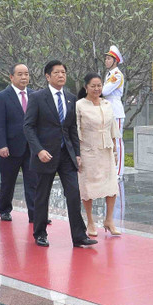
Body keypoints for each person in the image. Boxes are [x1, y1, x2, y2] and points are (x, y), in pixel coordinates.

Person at [23, 60, 96, 248]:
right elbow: (28, 127)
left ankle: (79, 235)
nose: (61, 75)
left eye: (63, 72)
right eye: (57, 72)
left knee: (73, 193)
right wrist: (39, 150)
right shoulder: (38, 97)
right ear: (48, 76)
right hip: (45, 154)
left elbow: (72, 128)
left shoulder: (70, 98)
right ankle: (40, 233)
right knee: (42, 195)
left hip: (66, 154)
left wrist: (77, 153)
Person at [76, 72, 121, 237]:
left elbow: (113, 129)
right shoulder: (80, 105)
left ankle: (109, 220)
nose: (96, 89)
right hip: (88, 151)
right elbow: (76, 130)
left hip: (106, 151)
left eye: (99, 86)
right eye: (93, 86)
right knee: (89, 188)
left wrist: (115, 150)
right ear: (86, 87)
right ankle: (90, 221)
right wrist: (77, 154)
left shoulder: (107, 104)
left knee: (111, 186)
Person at [0, 63, 37, 223]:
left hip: (31, 147)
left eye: (26, 74)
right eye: (20, 74)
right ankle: (4, 209)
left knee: (33, 182)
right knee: (8, 181)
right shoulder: (3, 96)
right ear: (11, 77)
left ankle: (34, 213)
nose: (24, 77)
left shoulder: (34, 95)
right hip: (10, 147)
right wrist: (2, 144)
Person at [101, 46, 126, 180]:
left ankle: (119, 171)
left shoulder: (117, 75)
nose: (106, 61)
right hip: (107, 109)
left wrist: (98, 87)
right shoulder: (109, 74)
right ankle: (111, 169)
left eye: (109, 58)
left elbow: (105, 91)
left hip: (116, 111)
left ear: (115, 61)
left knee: (117, 142)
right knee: (109, 141)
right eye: (106, 58)